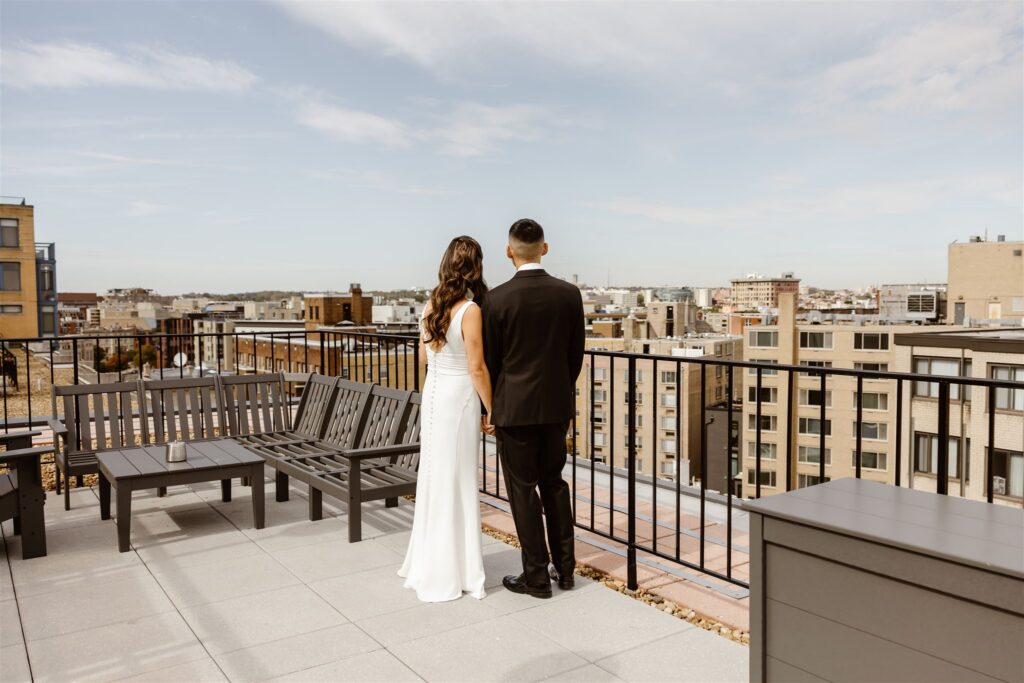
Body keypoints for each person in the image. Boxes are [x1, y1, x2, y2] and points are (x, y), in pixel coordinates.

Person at [483, 219, 585, 599]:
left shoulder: (496, 299)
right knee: (555, 484)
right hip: (556, 405)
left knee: (523, 491)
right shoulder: (569, 294)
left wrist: (488, 408)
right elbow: (575, 356)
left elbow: (490, 363)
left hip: (514, 409)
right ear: (545, 248)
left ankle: (537, 576)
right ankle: (567, 568)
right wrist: (559, 390)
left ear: (509, 251)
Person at [398, 236, 490, 602]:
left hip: (433, 394)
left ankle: (430, 560)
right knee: (460, 478)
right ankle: (458, 569)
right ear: (475, 267)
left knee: (436, 478)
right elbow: (477, 367)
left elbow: (422, 359)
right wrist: (492, 409)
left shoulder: (429, 305)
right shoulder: (470, 310)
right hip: (459, 397)